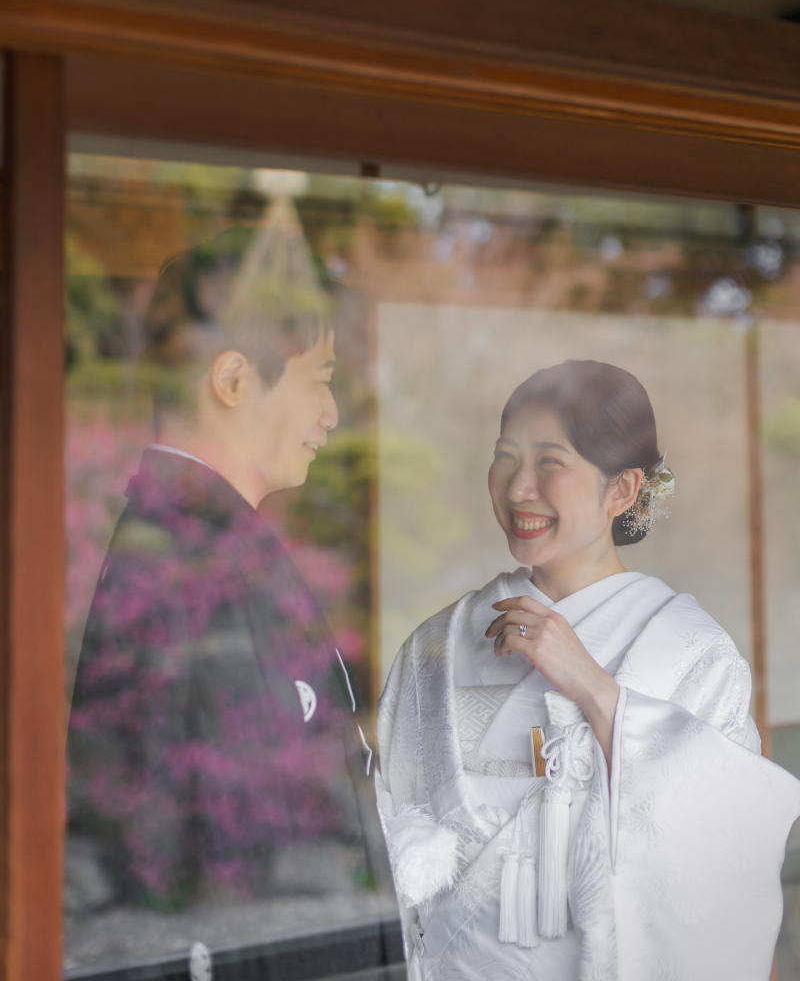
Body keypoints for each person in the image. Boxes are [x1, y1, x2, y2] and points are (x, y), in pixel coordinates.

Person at [376, 359, 800, 980]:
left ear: (622, 490)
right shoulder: (435, 646)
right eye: (505, 456)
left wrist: (595, 690)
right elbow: (389, 834)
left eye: (551, 461)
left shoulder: (689, 651)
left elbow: (727, 866)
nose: (519, 487)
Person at [67, 220, 393, 942]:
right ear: (234, 379)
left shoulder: (208, 546)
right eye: (320, 383)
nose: (333, 416)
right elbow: (195, 847)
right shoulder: (181, 561)